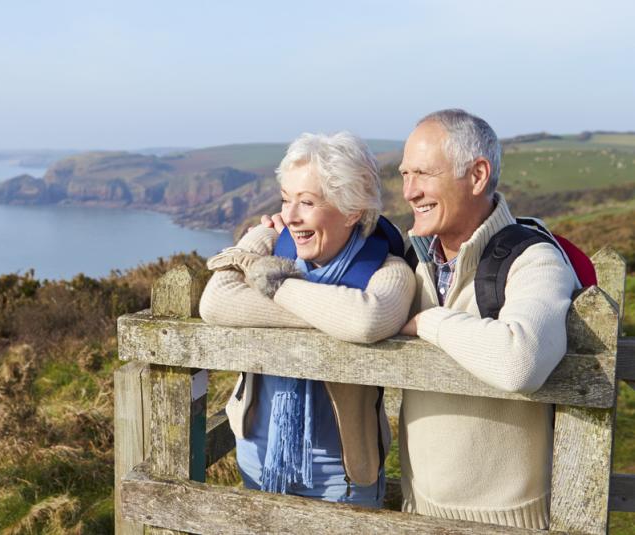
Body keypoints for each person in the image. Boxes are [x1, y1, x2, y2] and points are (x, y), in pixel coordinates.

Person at [200, 132, 415, 507]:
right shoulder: (276, 245)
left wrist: (271, 284)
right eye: (286, 200)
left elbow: (365, 320)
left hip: (342, 477)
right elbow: (216, 302)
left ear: (352, 210)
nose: (291, 216)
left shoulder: (388, 270)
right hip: (257, 458)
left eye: (307, 202)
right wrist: (260, 234)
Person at [397, 109, 578, 529]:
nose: (409, 191)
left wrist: (429, 322)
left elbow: (522, 361)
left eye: (422, 174)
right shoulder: (412, 259)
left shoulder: (534, 259)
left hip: (507, 520)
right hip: (415, 510)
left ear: (478, 176)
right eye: (404, 174)